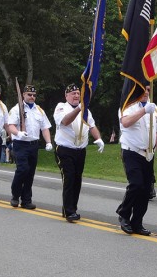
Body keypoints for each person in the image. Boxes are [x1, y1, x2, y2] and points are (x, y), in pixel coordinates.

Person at [116, 86, 157, 236]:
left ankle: (137, 222)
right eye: (143, 90)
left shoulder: (154, 107)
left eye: (148, 90)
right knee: (136, 184)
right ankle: (124, 214)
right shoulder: (128, 105)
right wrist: (144, 111)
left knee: (146, 190)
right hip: (132, 151)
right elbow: (125, 122)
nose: (146, 92)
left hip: (148, 153)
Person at [53, 84, 105, 222]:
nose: (76, 96)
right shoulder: (61, 107)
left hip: (80, 150)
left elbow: (91, 125)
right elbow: (65, 121)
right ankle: (69, 211)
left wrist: (99, 139)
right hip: (65, 149)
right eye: (73, 94)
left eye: (77, 93)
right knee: (69, 178)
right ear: (66, 96)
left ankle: (72, 208)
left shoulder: (84, 109)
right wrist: (78, 109)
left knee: (77, 179)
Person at [7, 84, 52, 210]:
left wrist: (48, 142)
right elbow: (10, 125)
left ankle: (26, 200)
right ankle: (15, 195)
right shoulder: (17, 109)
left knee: (30, 173)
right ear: (23, 95)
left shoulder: (39, 110)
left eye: (34, 95)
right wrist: (18, 133)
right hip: (20, 144)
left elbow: (45, 128)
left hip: (33, 144)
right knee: (22, 169)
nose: (32, 97)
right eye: (29, 95)